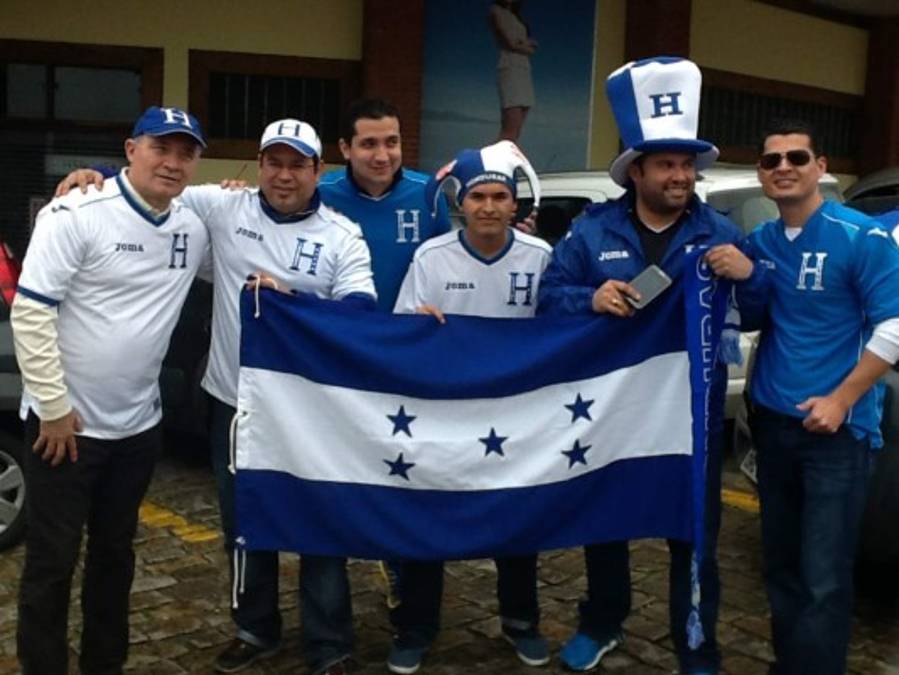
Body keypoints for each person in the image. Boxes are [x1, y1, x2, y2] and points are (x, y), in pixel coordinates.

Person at [56, 119, 377, 675]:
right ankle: (256, 629)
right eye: (273, 162)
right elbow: (155, 186)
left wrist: (293, 303)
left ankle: (330, 644)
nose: (283, 175)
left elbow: (362, 310)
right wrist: (98, 175)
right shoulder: (225, 208)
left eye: (296, 164)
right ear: (257, 166)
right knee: (243, 524)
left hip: (313, 413)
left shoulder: (341, 234)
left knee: (319, 524)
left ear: (317, 170)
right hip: (236, 404)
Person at [537, 58, 766, 675]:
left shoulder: (719, 232)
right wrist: (590, 298)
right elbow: (547, 297)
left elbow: (756, 311)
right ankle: (603, 620)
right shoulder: (590, 233)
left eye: (688, 164)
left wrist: (751, 277)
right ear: (636, 169)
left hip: (692, 414)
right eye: (667, 163)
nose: (681, 175)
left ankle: (697, 643)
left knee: (694, 534)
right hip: (611, 411)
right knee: (605, 521)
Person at [12, 106, 209, 674]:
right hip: (65, 428)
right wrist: (52, 408)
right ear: (130, 150)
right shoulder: (75, 212)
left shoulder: (192, 226)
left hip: (139, 428)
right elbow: (31, 313)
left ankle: (106, 664)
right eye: (160, 148)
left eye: (185, 152)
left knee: (114, 558)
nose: (172, 163)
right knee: (52, 562)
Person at [388, 141, 551, 674]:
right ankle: (415, 626)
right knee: (427, 523)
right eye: (477, 195)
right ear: (461, 202)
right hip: (444, 414)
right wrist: (418, 322)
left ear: (514, 204)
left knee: (518, 523)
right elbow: (403, 328)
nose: (487, 206)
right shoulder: (431, 257)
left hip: (516, 417)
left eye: (498, 196)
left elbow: (564, 330)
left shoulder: (542, 258)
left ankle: (521, 621)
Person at [745, 120, 899, 675]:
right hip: (776, 429)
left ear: (821, 167)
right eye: (771, 161)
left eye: (796, 158)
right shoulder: (760, 243)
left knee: (824, 577)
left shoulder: (860, 235)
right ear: (762, 176)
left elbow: (895, 329)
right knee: (781, 568)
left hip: (837, 435)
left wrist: (840, 399)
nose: (783, 167)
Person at [319, 98, 452, 311]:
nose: (382, 156)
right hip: (340, 330)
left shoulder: (429, 193)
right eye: (369, 144)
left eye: (391, 142)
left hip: (405, 331)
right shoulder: (320, 194)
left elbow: (451, 261)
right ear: (345, 148)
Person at [488, 0, 537, 142]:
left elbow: (526, 45)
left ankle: (503, 162)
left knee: (516, 130)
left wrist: (523, 44)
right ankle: (485, 162)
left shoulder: (516, 16)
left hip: (524, 68)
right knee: (509, 130)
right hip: (510, 67)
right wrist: (525, 45)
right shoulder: (496, 10)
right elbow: (510, 43)